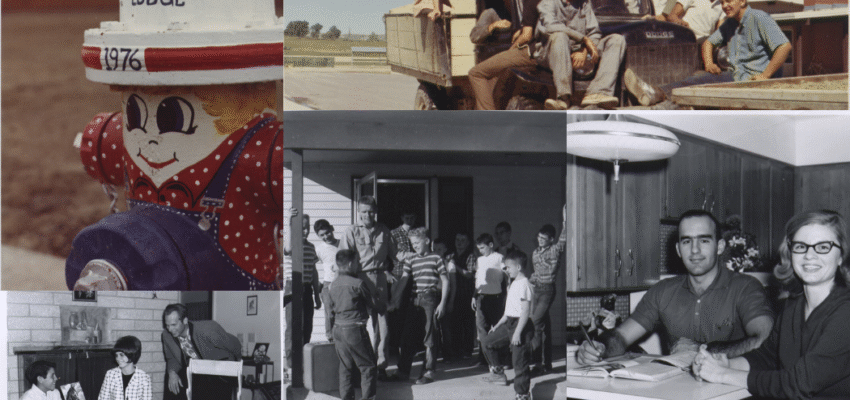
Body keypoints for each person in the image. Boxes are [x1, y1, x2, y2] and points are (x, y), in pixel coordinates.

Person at [577, 209, 774, 364]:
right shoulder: (662, 292)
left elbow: (764, 339)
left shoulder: (746, 287)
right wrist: (599, 347)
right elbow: (621, 337)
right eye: (687, 241)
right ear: (679, 249)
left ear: (720, 246)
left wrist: (702, 351)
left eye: (704, 240)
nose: (695, 250)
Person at [694, 210, 850, 399]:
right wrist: (726, 363)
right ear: (790, 252)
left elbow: (800, 383)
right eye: (801, 246)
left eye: (823, 247)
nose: (810, 255)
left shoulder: (845, 312)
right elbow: (767, 357)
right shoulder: (794, 306)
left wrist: (723, 375)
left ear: (841, 255)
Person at [628, 0, 792, 105]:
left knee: (702, 80)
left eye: (729, 1)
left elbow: (784, 47)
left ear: (742, 1)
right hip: (740, 75)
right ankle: (659, 99)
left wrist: (765, 75)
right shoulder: (730, 23)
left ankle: (656, 92)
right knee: (701, 77)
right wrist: (709, 63)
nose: (724, 6)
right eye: (722, 2)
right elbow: (708, 43)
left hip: (758, 79)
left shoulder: (759, 18)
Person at [339, 195, 398, 380]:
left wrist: (394, 273)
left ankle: (380, 366)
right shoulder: (351, 231)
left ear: (376, 211)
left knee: (382, 325)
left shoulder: (384, 231)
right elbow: (343, 260)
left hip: (380, 279)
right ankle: (361, 369)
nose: (367, 215)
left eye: (371, 211)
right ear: (359, 212)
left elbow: (396, 256)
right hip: (359, 279)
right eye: (364, 211)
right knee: (359, 324)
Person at [535, 0, 626, 110]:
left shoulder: (584, 4)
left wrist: (584, 51)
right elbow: (550, 26)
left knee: (616, 40)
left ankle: (598, 92)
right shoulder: (548, 2)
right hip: (551, 52)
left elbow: (594, 32)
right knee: (560, 36)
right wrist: (583, 39)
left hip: (579, 49)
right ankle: (563, 98)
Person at [387, 227, 450, 384]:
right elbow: (403, 280)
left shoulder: (436, 258)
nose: (414, 246)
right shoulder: (411, 259)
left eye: (417, 242)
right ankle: (403, 371)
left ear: (427, 241)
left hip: (430, 299)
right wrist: (395, 299)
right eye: (412, 243)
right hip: (414, 301)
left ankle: (429, 371)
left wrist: (442, 303)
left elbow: (446, 280)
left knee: (430, 335)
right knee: (407, 335)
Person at [327, 249, 383, 400]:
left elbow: (329, 311)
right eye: (357, 261)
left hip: (337, 329)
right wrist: (380, 300)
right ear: (351, 264)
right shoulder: (358, 283)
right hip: (354, 329)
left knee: (345, 367)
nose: (359, 264)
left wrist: (329, 331)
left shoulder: (332, 285)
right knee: (368, 366)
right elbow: (371, 305)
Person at [479, 250, 536, 400]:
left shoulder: (524, 284)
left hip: (521, 326)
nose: (506, 270)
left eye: (508, 267)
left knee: (519, 363)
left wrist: (517, 333)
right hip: (509, 322)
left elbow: (525, 312)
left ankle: (523, 394)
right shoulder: (513, 284)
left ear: (518, 267)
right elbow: (508, 311)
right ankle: (498, 374)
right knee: (487, 342)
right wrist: (497, 325)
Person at [468, 0, 542, 110]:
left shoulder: (522, 13)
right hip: (495, 62)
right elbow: (474, 36)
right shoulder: (492, 13)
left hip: (515, 62)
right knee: (492, 95)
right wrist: (492, 26)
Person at [161, 303, 242, 400]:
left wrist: (237, 366)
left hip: (220, 372)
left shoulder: (208, 329)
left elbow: (235, 345)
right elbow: (172, 357)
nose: (170, 329)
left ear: (185, 320)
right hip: (197, 373)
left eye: (173, 325)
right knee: (172, 377)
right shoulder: (166, 335)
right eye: (167, 325)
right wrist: (172, 372)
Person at [282, 208, 322, 381]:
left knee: (307, 327)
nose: (304, 231)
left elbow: (313, 271)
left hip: (307, 289)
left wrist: (318, 296)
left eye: (307, 228)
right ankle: (291, 365)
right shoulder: (290, 243)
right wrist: (289, 221)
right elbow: (289, 249)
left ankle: (303, 363)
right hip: (293, 288)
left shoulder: (311, 247)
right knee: (293, 327)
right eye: (301, 227)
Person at [529, 205, 567, 374]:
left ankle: (537, 364)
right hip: (536, 290)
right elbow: (536, 273)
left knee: (535, 323)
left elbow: (563, 239)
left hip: (547, 291)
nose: (540, 240)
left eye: (544, 239)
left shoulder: (555, 250)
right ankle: (546, 364)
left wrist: (565, 220)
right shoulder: (535, 253)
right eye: (539, 238)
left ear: (551, 240)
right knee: (544, 327)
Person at [473, 233, 509, 366]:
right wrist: (474, 295)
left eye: (482, 248)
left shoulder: (499, 258)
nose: (480, 251)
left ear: (491, 245)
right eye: (478, 248)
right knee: (482, 329)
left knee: (499, 329)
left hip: (496, 298)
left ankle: (504, 359)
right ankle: (484, 358)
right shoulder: (480, 260)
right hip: (481, 297)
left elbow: (507, 276)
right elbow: (478, 280)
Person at [448, 232, 478, 359]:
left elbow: (470, 274)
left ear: (467, 243)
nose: (459, 242)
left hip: (466, 293)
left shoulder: (471, 256)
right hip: (454, 293)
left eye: (462, 240)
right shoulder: (450, 255)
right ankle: (456, 349)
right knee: (455, 322)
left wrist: (456, 267)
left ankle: (467, 350)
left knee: (467, 323)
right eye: (457, 240)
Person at [99, 336, 152, 400]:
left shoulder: (144, 378)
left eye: (121, 355)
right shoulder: (110, 375)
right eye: (116, 355)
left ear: (132, 354)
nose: (118, 359)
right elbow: (102, 398)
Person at [314, 218, 341, 342]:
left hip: (342, 283)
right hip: (328, 283)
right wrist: (316, 283)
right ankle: (330, 340)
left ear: (332, 229)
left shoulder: (343, 244)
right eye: (322, 235)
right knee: (329, 313)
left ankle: (342, 340)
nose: (326, 236)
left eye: (327, 232)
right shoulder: (319, 249)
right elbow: (309, 264)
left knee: (342, 312)